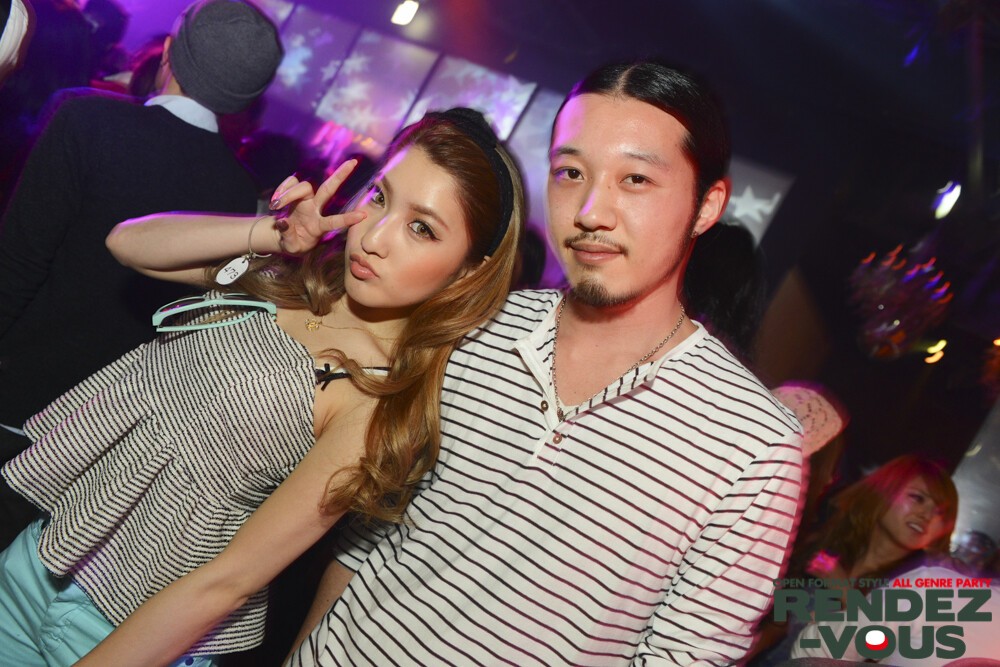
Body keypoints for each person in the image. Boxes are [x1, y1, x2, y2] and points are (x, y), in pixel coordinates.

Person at [288, 58, 805, 666]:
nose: (591, 211)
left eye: (636, 179)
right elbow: (367, 535)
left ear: (707, 205)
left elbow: (686, 656)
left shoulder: (754, 443)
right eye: (570, 172)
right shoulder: (473, 325)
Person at [0, 108, 524, 666]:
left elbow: (230, 582)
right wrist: (272, 233)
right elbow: (128, 242)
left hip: (125, 634)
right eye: (379, 197)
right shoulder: (289, 279)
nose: (374, 237)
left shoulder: (375, 402)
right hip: (39, 557)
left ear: (468, 271)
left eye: (422, 228)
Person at [0, 0, 283, 549]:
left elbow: (16, 264)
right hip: (95, 435)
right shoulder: (237, 196)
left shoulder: (87, 119)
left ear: (169, 53)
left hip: (13, 395)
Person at [749, 454, 959, 666]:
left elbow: (883, 651)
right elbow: (774, 624)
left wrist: (845, 593)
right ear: (885, 492)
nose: (927, 515)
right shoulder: (826, 547)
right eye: (918, 498)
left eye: (940, 512)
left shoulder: (912, 589)